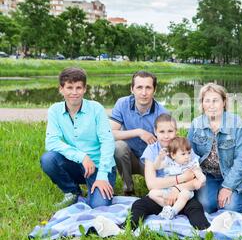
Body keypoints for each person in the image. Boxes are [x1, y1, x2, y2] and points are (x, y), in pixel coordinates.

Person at [40, 67, 116, 208]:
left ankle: (98, 188)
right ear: (61, 89)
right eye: (69, 87)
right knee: (48, 159)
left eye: (78, 88)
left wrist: (102, 175)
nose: (74, 92)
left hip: (100, 167)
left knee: (99, 207)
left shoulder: (96, 108)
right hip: (77, 164)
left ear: (85, 89)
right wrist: (82, 157)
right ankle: (73, 192)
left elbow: (107, 142)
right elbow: (51, 142)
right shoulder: (55, 110)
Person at [130, 114, 210, 229]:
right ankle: (127, 229)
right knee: (139, 205)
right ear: (155, 132)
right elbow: (151, 184)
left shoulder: (184, 147)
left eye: (170, 131)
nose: (166, 136)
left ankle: (204, 230)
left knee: (195, 207)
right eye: (162, 132)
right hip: (162, 196)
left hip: (182, 195)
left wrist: (177, 190)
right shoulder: (152, 150)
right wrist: (180, 179)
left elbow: (194, 179)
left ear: (176, 131)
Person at [187, 83, 242, 214]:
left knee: (230, 209)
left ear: (224, 102)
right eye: (207, 101)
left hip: (230, 174)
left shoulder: (237, 124)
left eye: (215, 100)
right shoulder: (197, 123)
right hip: (206, 175)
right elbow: (189, 154)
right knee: (206, 206)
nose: (211, 105)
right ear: (202, 104)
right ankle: (214, 193)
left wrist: (228, 187)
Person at [109, 71, 168, 196]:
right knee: (118, 147)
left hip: (152, 161)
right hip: (129, 157)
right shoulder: (122, 103)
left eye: (148, 88)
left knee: (158, 193)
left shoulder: (162, 113)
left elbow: (168, 144)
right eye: (139, 87)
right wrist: (139, 132)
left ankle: (153, 182)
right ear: (132, 89)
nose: (144, 93)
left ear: (155, 90)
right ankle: (128, 188)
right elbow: (110, 133)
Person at [149, 137, 206, 220]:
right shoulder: (169, 162)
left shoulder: (191, 164)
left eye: (189, 153)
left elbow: (201, 177)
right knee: (152, 193)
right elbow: (156, 166)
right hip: (169, 190)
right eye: (183, 154)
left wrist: (199, 178)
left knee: (185, 194)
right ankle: (167, 208)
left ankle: (173, 211)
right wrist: (159, 158)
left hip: (184, 190)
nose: (187, 157)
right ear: (173, 155)